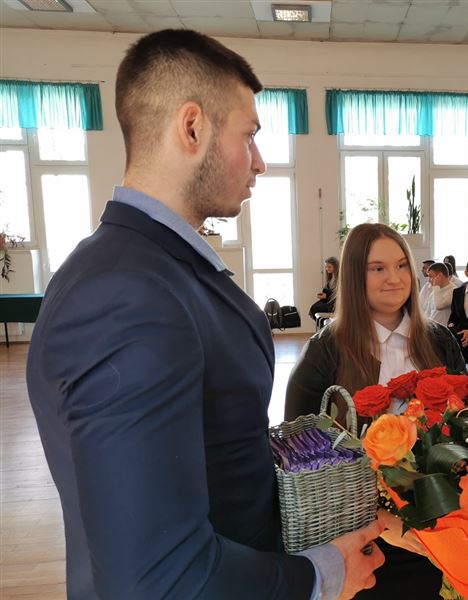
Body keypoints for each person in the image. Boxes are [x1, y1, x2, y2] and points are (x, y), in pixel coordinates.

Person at [25, 29, 384, 599]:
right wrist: (322, 574)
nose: (260, 162)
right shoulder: (126, 295)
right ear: (192, 128)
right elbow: (158, 576)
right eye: (250, 135)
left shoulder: (138, 267)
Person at [284, 223, 466, 600]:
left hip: (432, 537)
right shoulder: (325, 352)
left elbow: (466, 429)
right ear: (354, 276)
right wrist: (381, 520)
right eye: (378, 268)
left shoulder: (439, 341)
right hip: (360, 542)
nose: (394, 278)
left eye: (401, 265)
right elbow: (297, 462)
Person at [425, 261, 456, 326]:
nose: (429, 280)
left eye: (431, 276)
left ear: (440, 275)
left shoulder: (454, 291)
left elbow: (439, 306)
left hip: (445, 331)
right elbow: (427, 313)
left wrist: (436, 286)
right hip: (432, 329)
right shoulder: (435, 291)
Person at [308, 256, 339, 320]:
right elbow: (328, 291)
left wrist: (326, 296)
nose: (327, 269)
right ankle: (323, 324)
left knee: (315, 309)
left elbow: (338, 294)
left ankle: (324, 325)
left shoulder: (339, 279)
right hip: (328, 301)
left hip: (334, 303)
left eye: (329, 267)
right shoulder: (331, 278)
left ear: (335, 267)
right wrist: (323, 295)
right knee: (313, 308)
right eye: (326, 267)